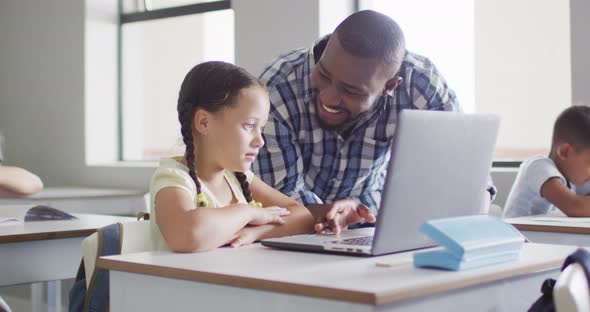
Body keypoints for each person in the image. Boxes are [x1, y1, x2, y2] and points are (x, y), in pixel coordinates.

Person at [253, 10, 496, 234]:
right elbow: (281, 200)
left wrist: (473, 225)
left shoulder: (420, 84)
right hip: (295, 230)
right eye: (323, 75)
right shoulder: (276, 87)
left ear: (390, 87)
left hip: (371, 223)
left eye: (351, 91)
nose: (328, 97)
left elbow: (470, 177)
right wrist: (335, 216)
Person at [150, 61, 315, 253]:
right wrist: (250, 212)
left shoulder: (236, 176)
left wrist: (256, 232)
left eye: (260, 129)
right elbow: (188, 234)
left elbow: (303, 217)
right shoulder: (174, 178)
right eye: (249, 126)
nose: (260, 141)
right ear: (204, 122)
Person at [503, 105, 590, 218]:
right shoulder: (539, 167)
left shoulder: (573, 177)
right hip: (516, 234)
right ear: (565, 151)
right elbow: (576, 207)